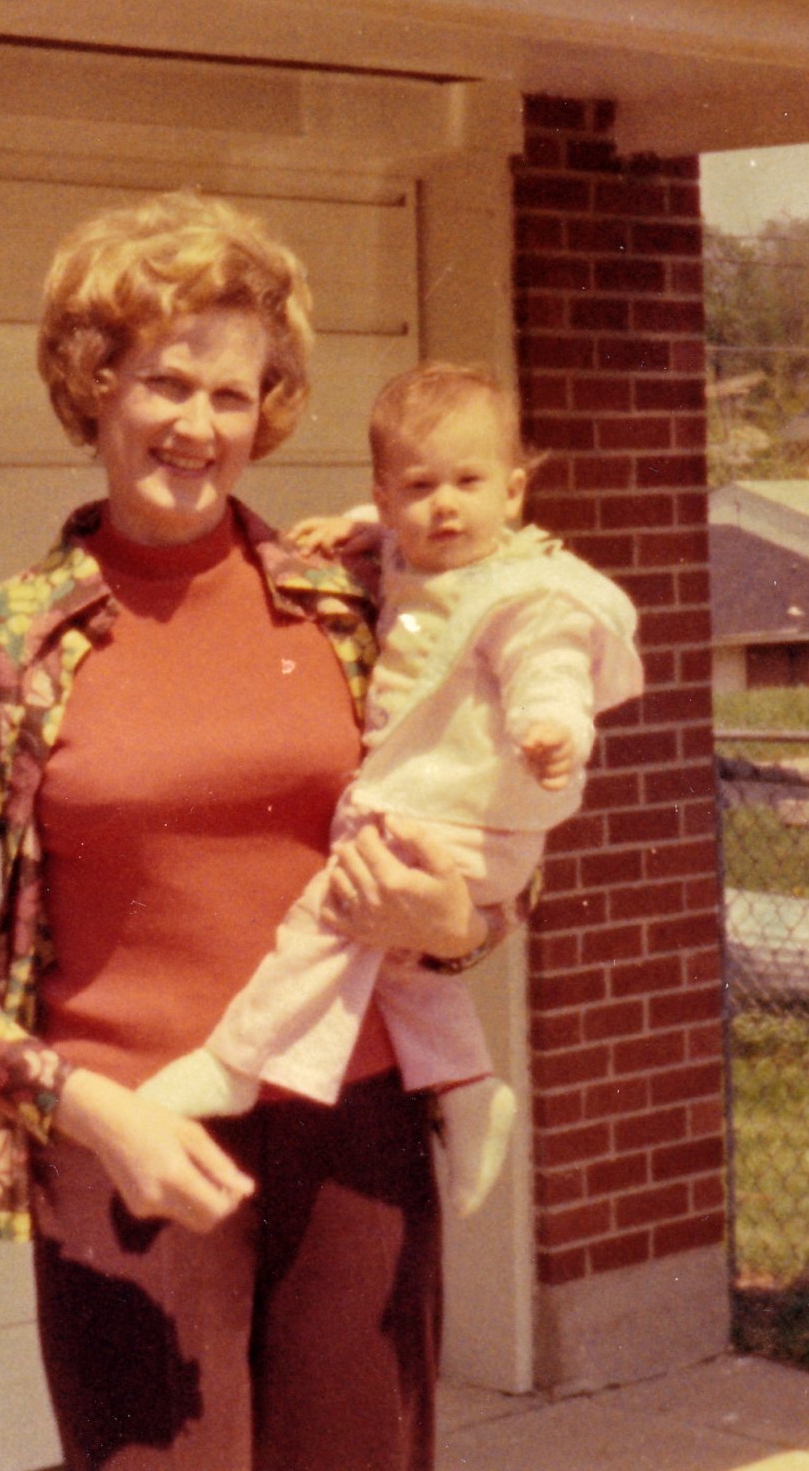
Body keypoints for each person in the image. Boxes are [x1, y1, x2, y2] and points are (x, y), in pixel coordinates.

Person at [0, 192, 520, 1471]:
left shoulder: (354, 608)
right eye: (167, 383)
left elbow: (478, 860)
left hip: (358, 1134)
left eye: (235, 394)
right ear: (93, 384)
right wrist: (89, 1112)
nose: (199, 425)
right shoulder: (5, 646)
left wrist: (455, 926)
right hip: (134, 1147)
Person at [142, 362, 643, 1218]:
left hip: (465, 819)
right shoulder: (425, 551)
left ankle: (234, 1063)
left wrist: (554, 729)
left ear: (515, 492)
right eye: (418, 488)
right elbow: (406, 529)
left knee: (334, 912)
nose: (444, 507)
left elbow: (548, 669)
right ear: (386, 492)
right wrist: (359, 526)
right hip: (447, 821)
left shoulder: (528, 595)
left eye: (469, 484)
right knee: (395, 958)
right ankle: (468, 1086)